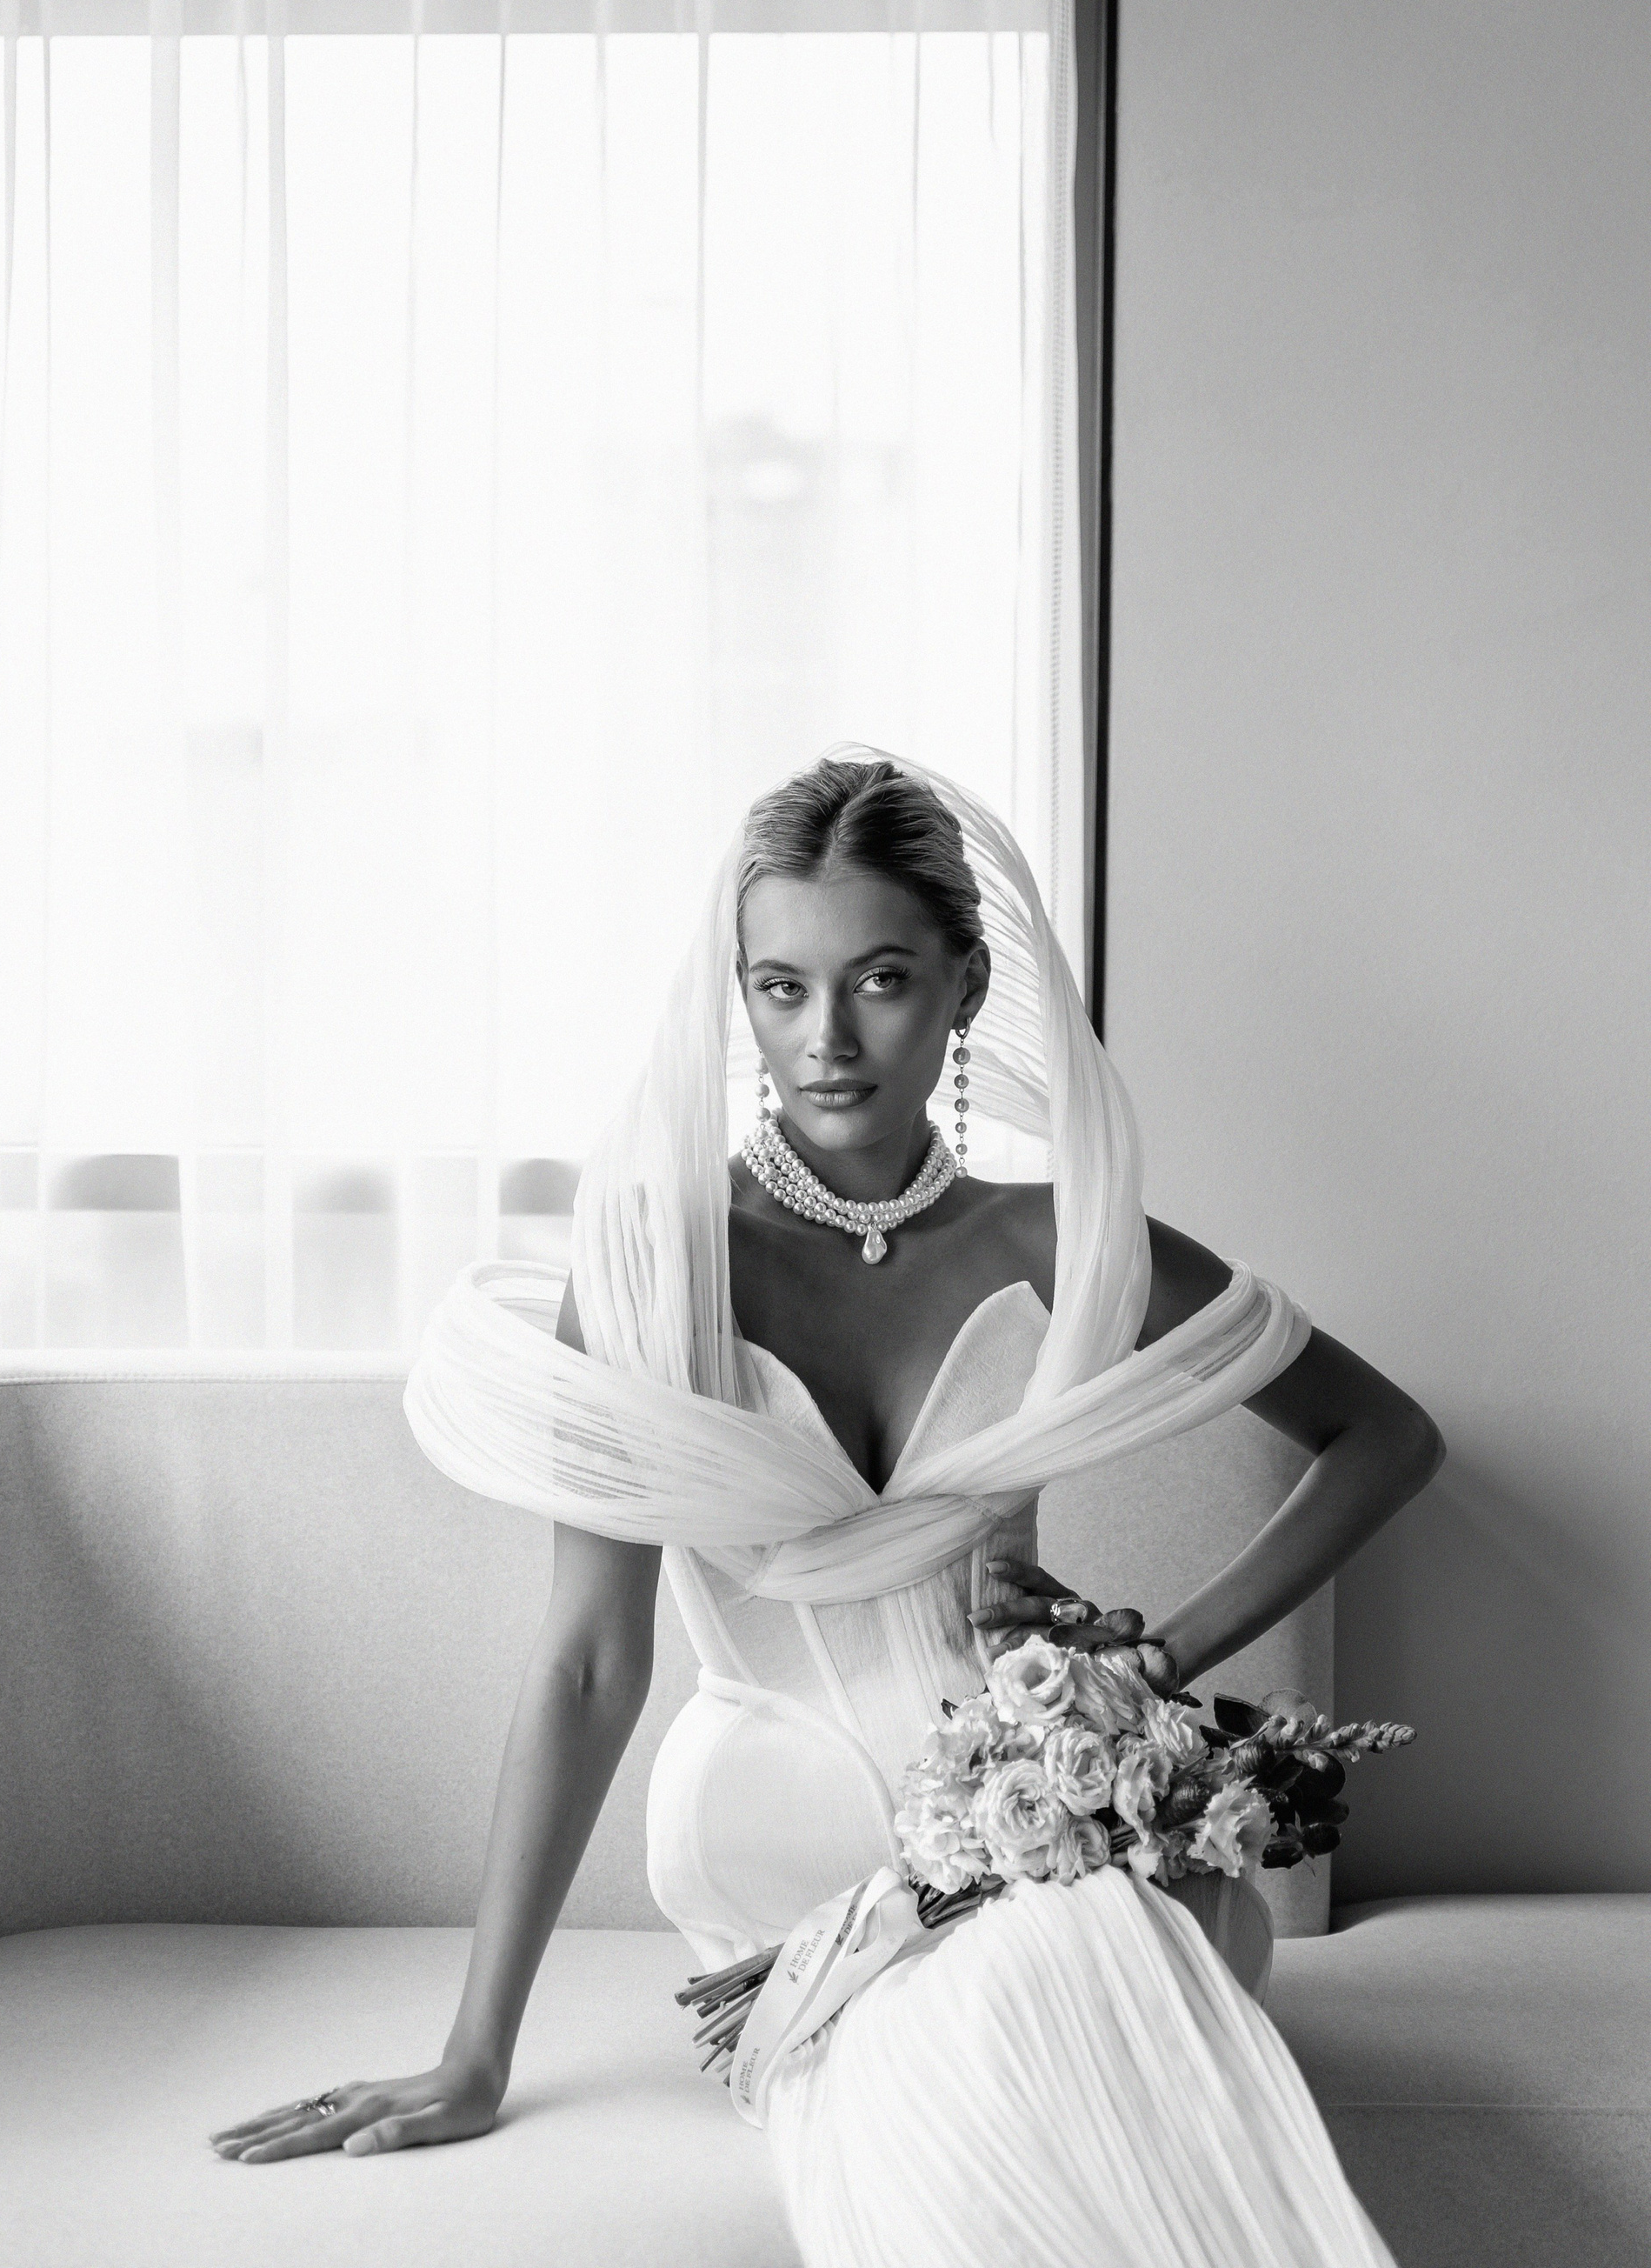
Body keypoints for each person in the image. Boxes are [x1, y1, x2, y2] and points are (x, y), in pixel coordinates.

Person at [212, 749, 1441, 2266]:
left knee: (1137, 1961)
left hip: (1035, 1793)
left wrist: (1150, 1667)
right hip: (773, 1813)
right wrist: (475, 2052)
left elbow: (1385, 1438)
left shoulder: (1060, 1241)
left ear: (966, 985)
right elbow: (589, 1661)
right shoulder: (655, 1266)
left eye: (880, 980)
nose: (827, 1039)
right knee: (1087, 2002)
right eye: (780, 988)